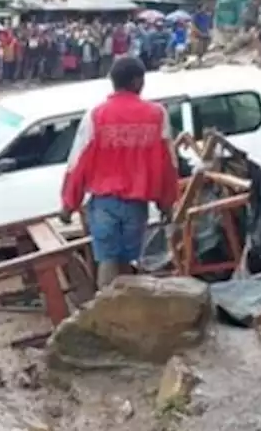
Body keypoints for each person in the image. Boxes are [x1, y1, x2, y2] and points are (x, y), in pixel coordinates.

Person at [61, 57, 178, 289]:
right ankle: (125, 311)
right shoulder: (157, 115)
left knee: (107, 260)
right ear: (137, 81)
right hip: (137, 205)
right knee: (128, 261)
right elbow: (168, 164)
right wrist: (167, 203)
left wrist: (68, 204)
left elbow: (77, 162)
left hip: (104, 204)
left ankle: (105, 309)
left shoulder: (96, 115)